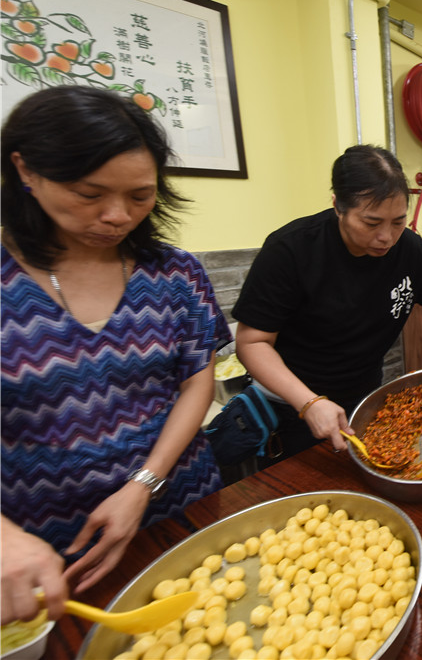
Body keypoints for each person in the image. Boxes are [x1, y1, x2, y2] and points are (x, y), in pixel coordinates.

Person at [1, 86, 229, 622]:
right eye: (88, 193)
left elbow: (197, 380)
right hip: (47, 551)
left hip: (183, 505)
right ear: (25, 171)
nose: (116, 216)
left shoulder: (175, 273)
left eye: (140, 196)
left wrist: (142, 485)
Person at [232, 145, 422, 465]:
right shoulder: (290, 250)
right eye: (371, 223)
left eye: (398, 222)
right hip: (291, 406)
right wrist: (310, 403)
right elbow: (251, 342)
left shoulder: (409, 248)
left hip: (363, 400)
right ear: (338, 207)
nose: (386, 237)